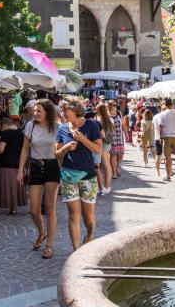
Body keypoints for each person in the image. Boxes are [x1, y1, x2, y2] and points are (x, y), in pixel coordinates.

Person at [17, 99, 60, 259]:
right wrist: (20, 169)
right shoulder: (30, 125)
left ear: (47, 112)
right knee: (34, 209)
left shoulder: (56, 127)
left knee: (50, 208)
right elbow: (25, 148)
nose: (35, 114)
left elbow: (60, 149)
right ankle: (42, 232)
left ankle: (49, 245)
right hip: (35, 166)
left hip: (51, 167)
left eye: (38, 111)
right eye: (34, 111)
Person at [57, 100, 103, 250]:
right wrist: (65, 148)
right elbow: (56, 154)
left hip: (88, 176)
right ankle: (76, 250)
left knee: (88, 215)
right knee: (73, 214)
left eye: (65, 111)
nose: (63, 113)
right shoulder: (62, 129)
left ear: (75, 110)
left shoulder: (91, 125)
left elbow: (98, 150)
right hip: (68, 176)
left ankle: (89, 236)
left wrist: (82, 139)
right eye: (62, 111)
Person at [0, 118, 27, 214]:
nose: (1, 129)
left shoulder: (6, 133)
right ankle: (14, 208)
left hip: (4, 164)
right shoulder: (22, 133)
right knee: (14, 187)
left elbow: (1, 149)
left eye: (1, 127)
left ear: (4, 124)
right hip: (17, 165)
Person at [95, 103, 113, 194]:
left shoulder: (100, 120)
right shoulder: (109, 119)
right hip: (108, 143)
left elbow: (101, 134)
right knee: (106, 166)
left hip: (103, 143)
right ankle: (106, 186)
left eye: (96, 109)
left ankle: (106, 187)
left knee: (105, 166)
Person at [108, 101, 125, 179]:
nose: (115, 106)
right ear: (109, 106)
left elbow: (123, 124)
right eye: (113, 105)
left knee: (121, 155)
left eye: (115, 105)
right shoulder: (107, 115)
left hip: (120, 137)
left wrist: (126, 134)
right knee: (113, 155)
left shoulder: (118, 113)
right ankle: (114, 172)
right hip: (112, 138)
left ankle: (117, 167)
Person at [152, 104, 167, 177]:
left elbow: (152, 127)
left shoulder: (155, 116)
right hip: (163, 138)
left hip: (157, 138)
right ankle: (168, 172)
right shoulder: (163, 116)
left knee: (158, 155)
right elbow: (162, 128)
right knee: (167, 155)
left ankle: (157, 171)